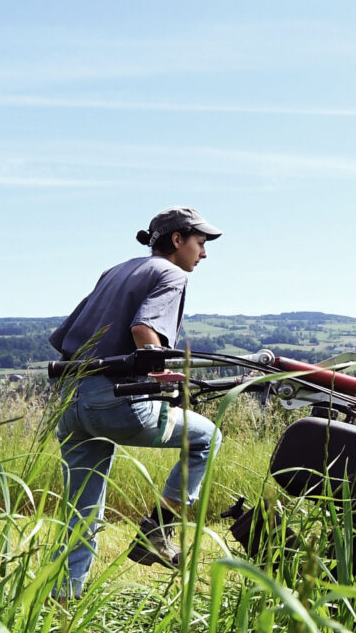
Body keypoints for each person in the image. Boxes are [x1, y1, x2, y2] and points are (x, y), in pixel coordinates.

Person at [48, 207, 224, 598]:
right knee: (206, 438)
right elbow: (144, 329)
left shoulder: (114, 272)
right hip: (117, 401)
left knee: (82, 510)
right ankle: (158, 531)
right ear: (177, 239)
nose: (204, 254)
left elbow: (63, 338)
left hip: (72, 402)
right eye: (200, 243)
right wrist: (164, 375)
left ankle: (64, 599)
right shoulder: (171, 274)